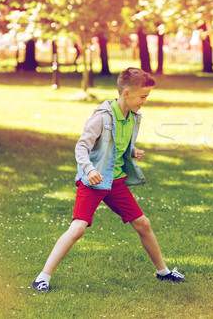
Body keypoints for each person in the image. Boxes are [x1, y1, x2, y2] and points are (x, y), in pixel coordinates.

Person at [32, 67, 187, 292]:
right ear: (127, 94)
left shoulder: (133, 117)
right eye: (143, 96)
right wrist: (89, 169)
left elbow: (117, 144)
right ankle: (42, 277)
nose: (145, 101)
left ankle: (163, 272)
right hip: (93, 182)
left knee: (143, 223)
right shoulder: (102, 117)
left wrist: (132, 152)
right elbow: (81, 147)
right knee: (78, 228)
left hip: (115, 183)